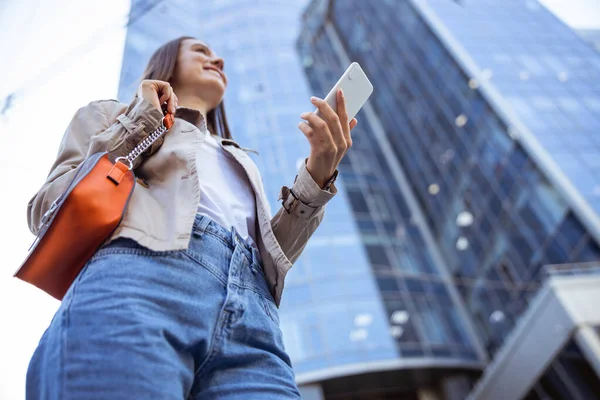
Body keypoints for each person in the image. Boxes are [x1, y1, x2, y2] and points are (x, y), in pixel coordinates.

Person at [25, 36, 358, 399]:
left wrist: (318, 175)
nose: (217, 59)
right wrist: (143, 119)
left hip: (254, 324)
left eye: (217, 55)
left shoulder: (240, 159)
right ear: (166, 62)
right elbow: (47, 208)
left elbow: (273, 258)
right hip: (143, 285)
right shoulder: (111, 114)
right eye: (200, 51)